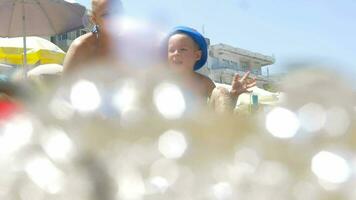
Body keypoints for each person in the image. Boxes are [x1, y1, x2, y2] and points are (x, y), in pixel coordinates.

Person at [166, 26, 256, 112]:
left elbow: (220, 107)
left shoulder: (203, 82)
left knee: (221, 92)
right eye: (171, 50)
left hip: (198, 125)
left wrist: (233, 94)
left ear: (197, 55)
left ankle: (222, 127)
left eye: (183, 49)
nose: (176, 53)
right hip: (168, 124)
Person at [63, 0, 122, 73]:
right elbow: (66, 83)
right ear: (94, 19)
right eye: (106, 15)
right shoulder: (81, 47)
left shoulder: (128, 45)